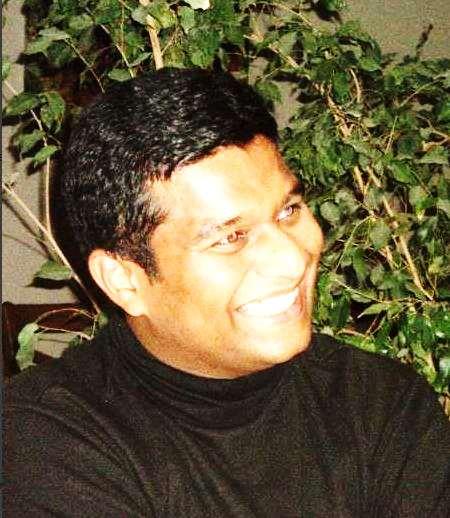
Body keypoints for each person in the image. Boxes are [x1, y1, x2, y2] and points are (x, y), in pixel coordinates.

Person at [4, 68, 449, 517]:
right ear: (124, 280)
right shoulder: (46, 442)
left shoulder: (382, 404)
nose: (292, 259)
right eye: (229, 237)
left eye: (289, 211)